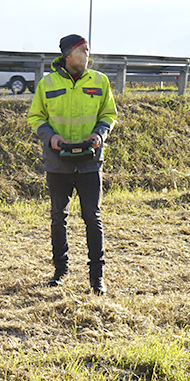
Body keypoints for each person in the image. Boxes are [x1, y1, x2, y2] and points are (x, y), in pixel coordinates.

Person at [27, 34, 118, 295]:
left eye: (88, 50)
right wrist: (50, 137)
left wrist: (100, 134)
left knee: (93, 217)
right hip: (58, 163)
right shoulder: (47, 83)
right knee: (58, 217)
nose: (87, 54)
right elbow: (36, 117)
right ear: (68, 55)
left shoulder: (100, 81)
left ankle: (96, 277)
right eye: (83, 50)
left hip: (90, 162)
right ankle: (60, 270)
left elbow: (109, 114)